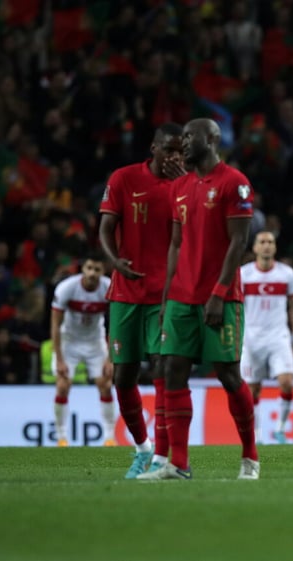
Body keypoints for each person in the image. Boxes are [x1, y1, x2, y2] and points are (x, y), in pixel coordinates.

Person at [137, 118, 258, 480]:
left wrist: (220, 293)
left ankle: (250, 457)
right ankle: (179, 464)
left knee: (228, 375)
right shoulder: (180, 187)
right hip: (180, 298)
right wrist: (166, 295)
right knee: (170, 368)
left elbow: (239, 242)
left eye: (191, 137)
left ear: (212, 139)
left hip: (220, 297)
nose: (184, 143)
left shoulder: (234, 183)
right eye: (183, 137)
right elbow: (176, 244)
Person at [99, 123, 185, 478]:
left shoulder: (184, 187)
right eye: (168, 149)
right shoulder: (123, 179)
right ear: (153, 146)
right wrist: (114, 261)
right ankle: (142, 448)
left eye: (179, 151)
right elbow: (104, 228)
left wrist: (185, 186)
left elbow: (195, 234)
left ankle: (164, 456)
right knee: (123, 377)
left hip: (165, 295)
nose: (173, 157)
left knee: (163, 369)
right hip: (125, 293)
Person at [239, 230, 293, 444]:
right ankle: (256, 436)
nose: (266, 245)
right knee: (252, 390)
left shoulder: (286, 274)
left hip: (278, 336)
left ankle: (280, 430)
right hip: (251, 338)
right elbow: (235, 309)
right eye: (262, 242)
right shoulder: (244, 274)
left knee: (287, 382)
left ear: (275, 247)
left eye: (270, 242)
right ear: (255, 248)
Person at [50, 252, 114, 447]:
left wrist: (110, 358)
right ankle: (61, 437)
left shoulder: (109, 288)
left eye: (97, 269)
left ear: (103, 271)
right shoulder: (66, 288)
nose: (92, 273)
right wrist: (59, 358)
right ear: (82, 269)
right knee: (63, 385)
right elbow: (55, 324)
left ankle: (109, 438)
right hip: (69, 341)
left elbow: (115, 324)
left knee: (105, 384)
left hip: (95, 341)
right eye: (89, 268)